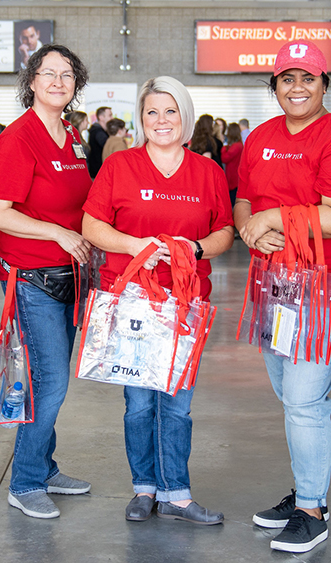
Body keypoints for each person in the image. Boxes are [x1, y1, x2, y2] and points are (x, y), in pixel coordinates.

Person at [236, 40, 331, 554]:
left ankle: (312, 510)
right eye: (287, 79)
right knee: (289, 396)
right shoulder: (261, 137)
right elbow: (244, 198)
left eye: (308, 78)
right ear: (275, 87)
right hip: (273, 287)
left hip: (324, 287)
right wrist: (249, 227)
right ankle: (305, 491)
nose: (297, 87)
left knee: (304, 400)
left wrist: (270, 219)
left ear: (324, 86)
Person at [83, 75, 234, 526]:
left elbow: (224, 230)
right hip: (131, 300)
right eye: (152, 112)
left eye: (170, 111)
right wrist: (135, 245)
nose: (161, 120)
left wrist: (197, 249)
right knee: (139, 404)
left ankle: (178, 494)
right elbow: (92, 225)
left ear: (184, 116)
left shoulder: (208, 172)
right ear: (141, 118)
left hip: (186, 303)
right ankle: (144, 489)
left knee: (177, 403)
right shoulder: (120, 167)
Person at [0, 44, 94, 520]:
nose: (57, 81)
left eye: (66, 75)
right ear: (31, 80)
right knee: (49, 383)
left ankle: (44, 467)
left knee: (51, 377)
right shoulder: (18, 138)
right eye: (48, 73)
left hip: (72, 276)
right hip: (32, 279)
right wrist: (57, 232)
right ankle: (25, 481)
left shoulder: (70, 134)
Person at [220, 122, 243, 208]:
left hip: (233, 178)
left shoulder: (236, 146)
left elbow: (225, 158)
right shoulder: (238, 145)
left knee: (232, 202)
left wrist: (223, 147)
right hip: (234, 177)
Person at [87, 106, 112, 177]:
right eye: (110, 115)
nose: (112, 118)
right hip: (97, 173)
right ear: (101, 117)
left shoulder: (100, 131)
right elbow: (107, 146)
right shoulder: (98, 132)